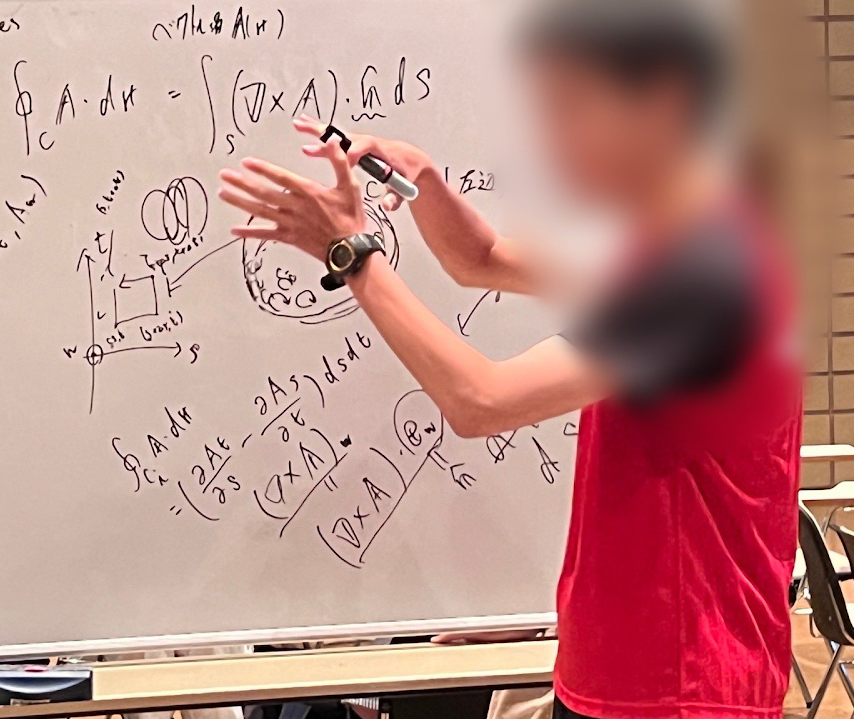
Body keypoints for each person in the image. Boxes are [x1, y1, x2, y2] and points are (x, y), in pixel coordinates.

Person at [216, 2, 802, 719]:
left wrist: (352, 255)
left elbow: (481, 401)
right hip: (622, 669)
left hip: (684, 686)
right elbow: (482, 258)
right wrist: (425, 183)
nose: (557, 138)